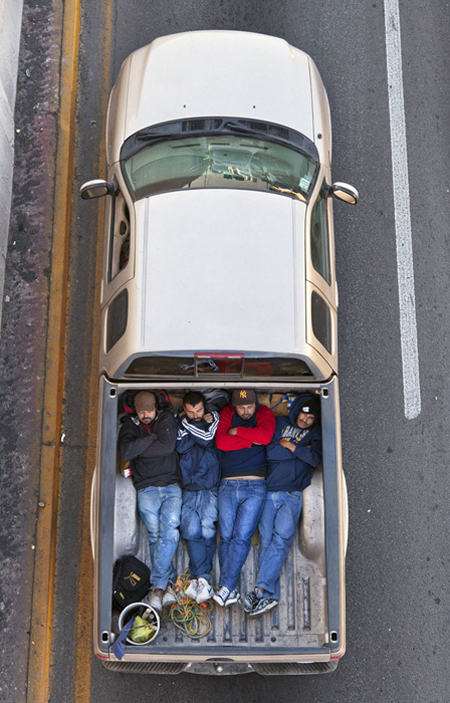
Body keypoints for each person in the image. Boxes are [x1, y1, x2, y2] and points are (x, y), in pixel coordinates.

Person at [240, 393, 322, 617]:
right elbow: (271, 452)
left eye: (310, 419)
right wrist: (300, 451)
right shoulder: (280, 423)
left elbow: (315, 458)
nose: (305, 421)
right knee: (267, 542)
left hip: (292, 493)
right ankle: (269, 596)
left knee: (282, 540)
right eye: (303, 415)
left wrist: (292, 447)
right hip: (269, 491)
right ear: (296, 411)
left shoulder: (315, 433)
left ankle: (259, 591)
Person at [118, 390, 181, 612]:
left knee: (170, 531)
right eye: (141, 412)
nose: (145, 415)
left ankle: (157, 587)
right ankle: (168, 586)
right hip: (145, 488)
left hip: (170, 485)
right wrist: (152, 438)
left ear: (156, 408)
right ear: (135, 411)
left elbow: (167, 447)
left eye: (149, 410)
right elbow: (126, 451)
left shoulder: (165, 420)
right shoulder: (129, 426)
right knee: (154, 535)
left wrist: (141, 447)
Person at [213, 389, 276, 607]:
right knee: (225, 536)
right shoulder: (227, 412)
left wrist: (237, 431)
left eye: (249, 406)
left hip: (254, 485)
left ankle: (226, 588)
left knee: (241, 537)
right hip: (227, 484)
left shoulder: (264, 412)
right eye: (241, 407)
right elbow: (221, 442)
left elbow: (265, 437)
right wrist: (251, 440)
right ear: (234, 405)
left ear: (255, 403)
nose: (246, 411)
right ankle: (228, 590)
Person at [176, 391, 220, 604]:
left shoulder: (214, 416)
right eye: (190, 412)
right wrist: (198, 428)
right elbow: (180, 446)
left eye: (199, 411)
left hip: (210, 485)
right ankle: (203, 579)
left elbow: (208, 438)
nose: (195, 415)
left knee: (207, 530)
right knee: (191, 532)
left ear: (205, 407)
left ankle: (198, 579)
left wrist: (187, 425)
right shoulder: (178, 421)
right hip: (188, 487)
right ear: (184, 409)